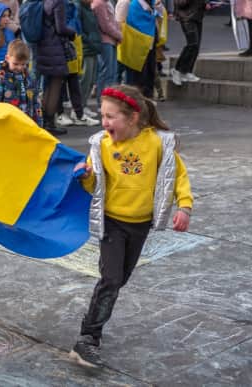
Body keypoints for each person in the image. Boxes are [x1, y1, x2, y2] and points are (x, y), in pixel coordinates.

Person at [69, 84, 193, 368]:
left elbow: (178, 175)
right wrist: (85, 175)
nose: (104, 123)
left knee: (118, 281)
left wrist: (184, 205)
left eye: (111, 117)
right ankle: (87, 337)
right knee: (111, 279)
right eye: (102, 116)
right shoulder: (101, 145)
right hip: (112, 223)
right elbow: (93, 183)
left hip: (140, 225)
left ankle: (92, 324)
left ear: (132, 117)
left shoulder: (157, 143)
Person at [37, 0, 77, 135]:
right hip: (54, 47)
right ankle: (49, 122)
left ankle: (43, 121)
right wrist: (72, 32)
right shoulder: (57, 2)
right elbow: (61, 28)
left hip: (43, 45)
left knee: (47, 84)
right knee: (55, 84)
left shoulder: (43, 2)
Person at [0, 39, 43, 126]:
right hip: (7, 124)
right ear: (7, 58)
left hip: (26, 122)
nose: (19, 67)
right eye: (15, 64)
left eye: (23, 64)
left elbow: (36, 102)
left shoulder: (30, 77)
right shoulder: (0, 77)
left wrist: (39, 123)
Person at [170, 0, 208, 86]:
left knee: (196, 46)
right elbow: (180, 3)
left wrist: (205, 4)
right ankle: (177, 70)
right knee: (192, 43)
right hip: (186, 16)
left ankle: (187, 71)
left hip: (197, 16)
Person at [92, 0, 122, 107]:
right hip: (105, 41)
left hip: (111, 40)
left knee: (112, 73)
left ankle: (110, 101)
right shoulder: (99, 4)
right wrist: (119, 35)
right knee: (106, 74)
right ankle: (103, 103)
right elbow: (105, 25)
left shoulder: (107, 3)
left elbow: (112, 21)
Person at [77, 0, 102, 118]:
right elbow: (79, 31)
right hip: (86, 49)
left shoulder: (89, 8)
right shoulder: (78, 7)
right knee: (85, 80)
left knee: (91, 80)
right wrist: (90, 42)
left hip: (93, 48)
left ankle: (84, 105)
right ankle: (79, 107)